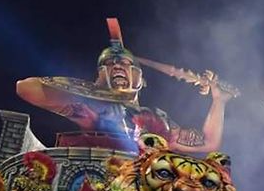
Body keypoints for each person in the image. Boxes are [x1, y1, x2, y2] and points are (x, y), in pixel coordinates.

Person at [16, 18, 230, 152]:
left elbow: (208, 143)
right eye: (109, 64)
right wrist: (96, 90)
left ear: (141, 80)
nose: (117, 65)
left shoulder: (158, 119)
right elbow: (25, 88)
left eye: (126, 63)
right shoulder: (92, 105)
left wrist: (218, 101)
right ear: (100, 75)